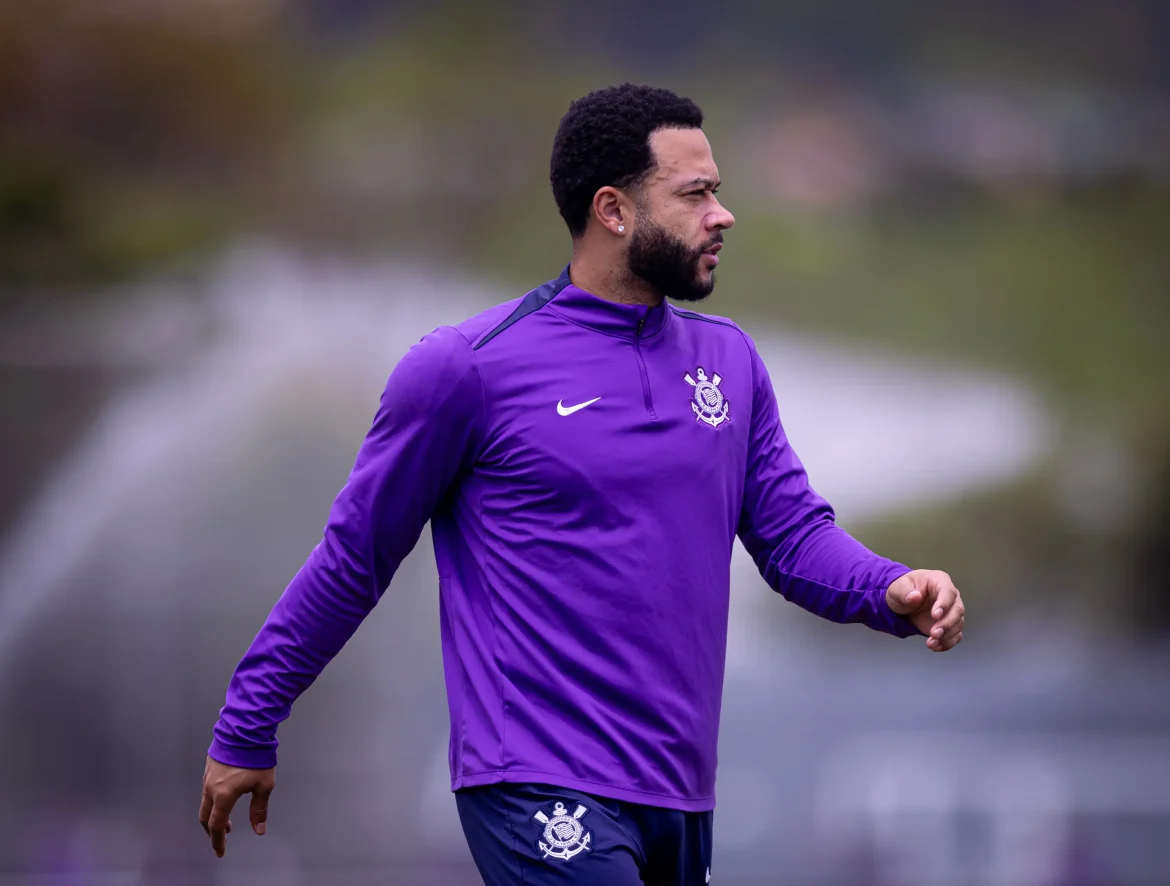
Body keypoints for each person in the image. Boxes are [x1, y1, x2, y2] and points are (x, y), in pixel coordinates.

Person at [198, 83, 965, 885]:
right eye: (695, 194)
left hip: (678, 793)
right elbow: (354, 557)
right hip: (534, 780)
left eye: (718, 191)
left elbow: (793, 536)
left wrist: (890, 588)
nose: (723, 215)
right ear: (613, 210)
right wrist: (249, 720)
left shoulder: (729, 362)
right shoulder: (466, 369)